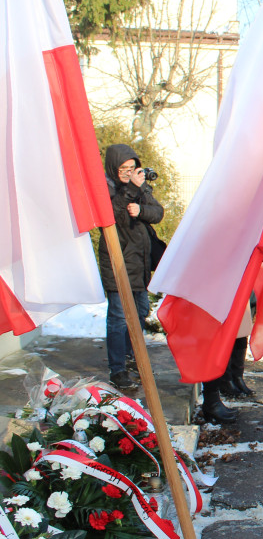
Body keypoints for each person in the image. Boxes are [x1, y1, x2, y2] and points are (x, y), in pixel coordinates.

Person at [98, 144, 164, 391]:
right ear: (114, 169)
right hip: (117, 261)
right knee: (118, 317)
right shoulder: (109, 188)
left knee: (139, 312)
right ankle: (117, 369)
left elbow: (157, 212)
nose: (128, 173)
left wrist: (141, 209)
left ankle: (130, 355)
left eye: (132, 168)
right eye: (123, 169)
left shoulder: (139, 187)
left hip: (140, 262)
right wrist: (131, 190)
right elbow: (114, 217)